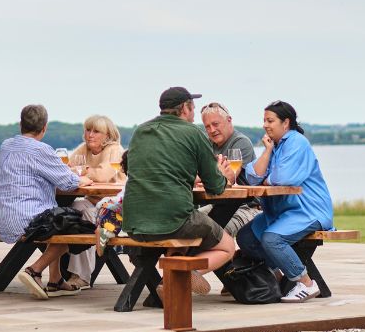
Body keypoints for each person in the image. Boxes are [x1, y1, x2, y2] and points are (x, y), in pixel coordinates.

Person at [123, 87, 236, 294]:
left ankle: (170, 284)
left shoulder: (140, 131)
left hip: (134, 223)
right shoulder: (193, 133)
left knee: (180, 242)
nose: (194, 114)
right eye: (192, 107)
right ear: (185, 108)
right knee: (227, 247)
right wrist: (225, 176)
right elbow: (215, 187)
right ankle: (181, 275)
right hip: (174, 220)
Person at [237, 100, 334, 303]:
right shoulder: (276, 145)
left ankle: (306, 283)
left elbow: (285, 178)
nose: (265, 125)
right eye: (264, 120)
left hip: (308, 211)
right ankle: (279, 274)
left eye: (270, 120)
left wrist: (267, 178)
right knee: (246, 238)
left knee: (272, 239)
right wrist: (267, 151)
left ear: (286, 123)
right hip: (281, 212)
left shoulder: (296, 142)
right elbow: (252, 176)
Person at [0, 104, 93, 299]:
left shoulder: (6, 145)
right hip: (27, 221)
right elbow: (67, 183)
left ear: (20, 124)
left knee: (58, 217)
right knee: (79, 228)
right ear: (44, 128)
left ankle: (55, 280)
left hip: (1, 219)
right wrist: (83, 179)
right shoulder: (41, 150)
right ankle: (35, 270)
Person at [62, 115, 126, 291]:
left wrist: (82, 171)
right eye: (88, 130)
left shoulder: (115, 150)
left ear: (107, 135)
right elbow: (65, 170)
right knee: (72, 210)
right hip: (93, 203)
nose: (90, 135)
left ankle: (81, 276)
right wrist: (84, 171)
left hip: (115, 210)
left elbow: (103, 175)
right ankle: (68, 270)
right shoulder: (84, 149)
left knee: (88, 214)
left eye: (96, 131)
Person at [199, 102, 261, 237]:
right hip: (217, 205)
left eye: (215, 124)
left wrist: (205, 175)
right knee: (188, 225)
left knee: (216, 234)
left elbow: (229, 177)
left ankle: (220, 256)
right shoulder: (207, 144)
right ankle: (185, 257)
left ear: (229, 120)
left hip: (246, 207)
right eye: (207, 127)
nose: (212, 130)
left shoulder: (240, 142)